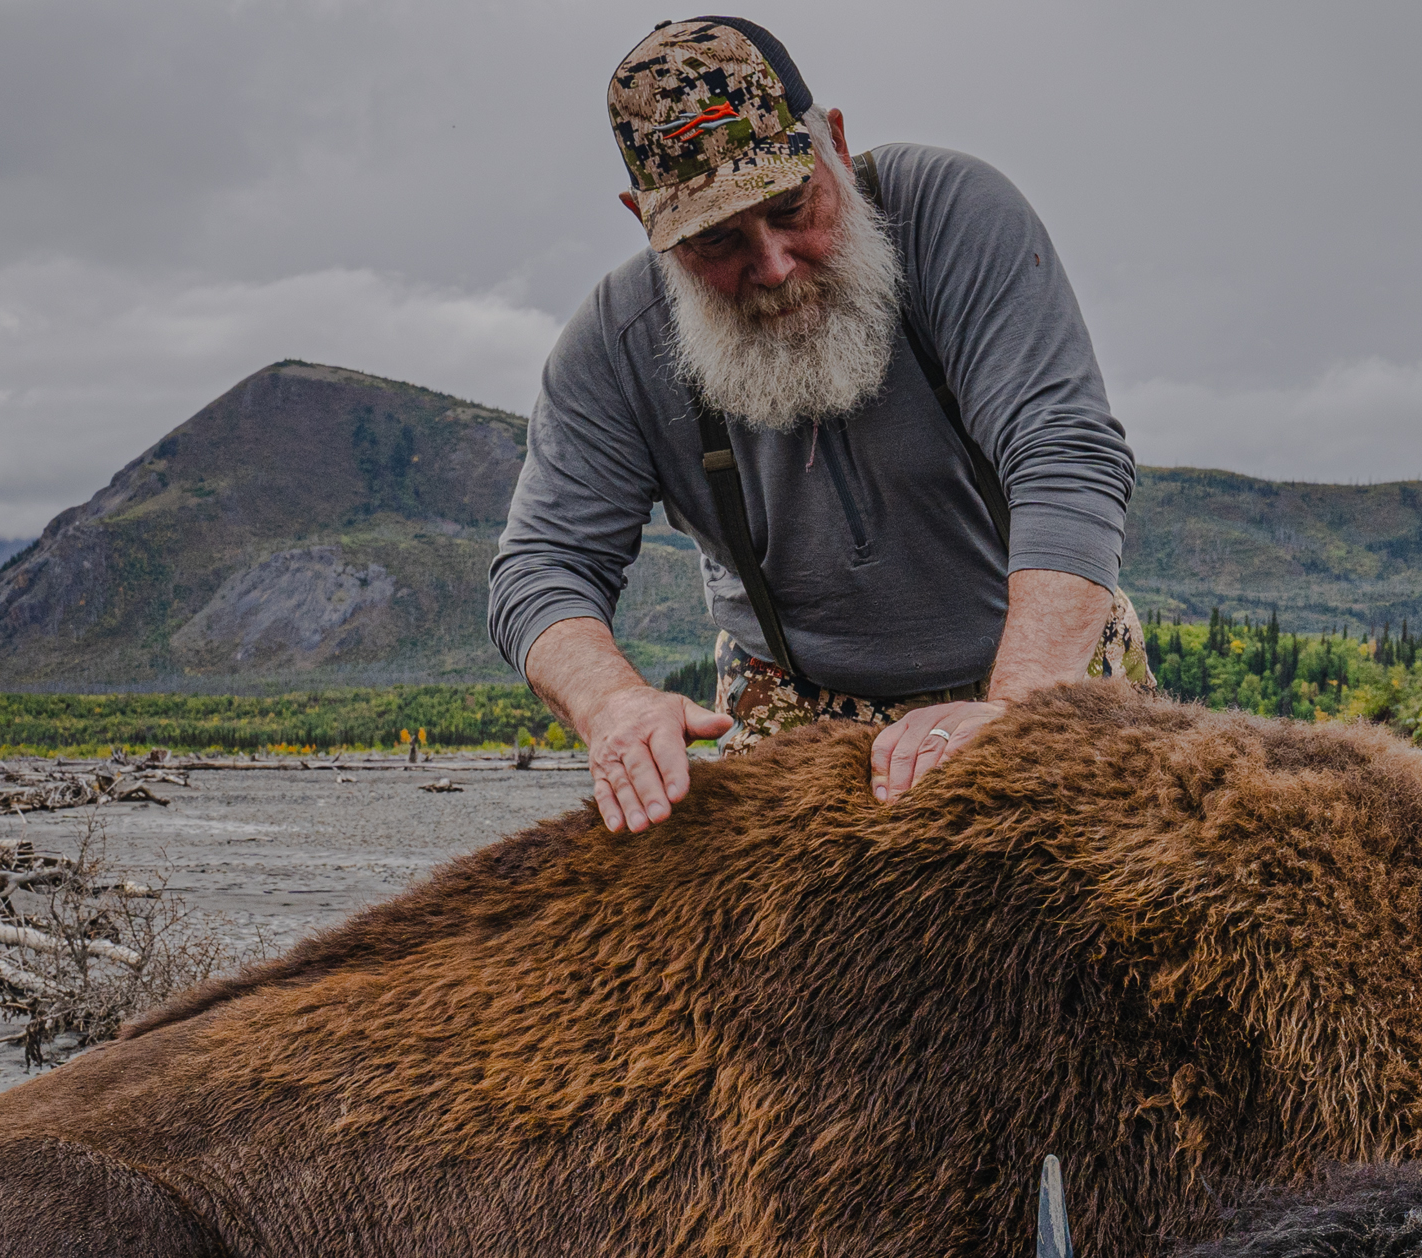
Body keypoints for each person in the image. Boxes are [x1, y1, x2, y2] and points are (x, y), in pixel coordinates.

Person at [487, 16, 1148, 834]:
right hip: (792, 701)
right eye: (715, 238)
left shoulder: (955, 214)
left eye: (791, 206)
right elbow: (543, 566)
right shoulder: (614, 345)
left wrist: (1017, 710)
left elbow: (1065, 452)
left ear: (834, 140)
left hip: (1041, 665)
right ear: (646, 220)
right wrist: (610, 702)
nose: (772, 266)